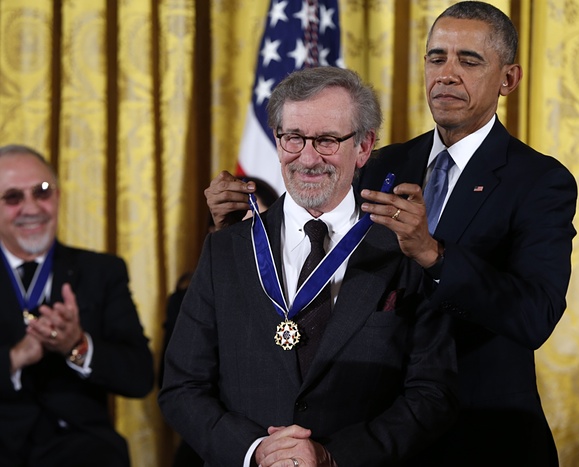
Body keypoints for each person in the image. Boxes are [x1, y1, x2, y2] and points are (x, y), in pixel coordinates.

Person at [204, 2, 577, 465]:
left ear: (509, 80)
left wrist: (433, 255)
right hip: (374, 438)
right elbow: (314, 266)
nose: (447, 74)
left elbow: (534, 316)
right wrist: (237, 227)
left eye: (469, 60)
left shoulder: (540, 181)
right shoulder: (377, 164)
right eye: (436, 57)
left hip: (480, 434)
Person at [159, 66, 457, 467]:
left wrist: (332, 456)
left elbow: (432, 394)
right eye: (294, 138)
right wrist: (255, 451)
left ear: (364, 147)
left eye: (328, 140)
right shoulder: (226, 250)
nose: (308, 157)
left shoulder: (406, 249)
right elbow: (181, 388)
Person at [0, 145, 154, 466]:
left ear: (57, 196)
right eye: (13, 197)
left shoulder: (101, 271)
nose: (31, 207)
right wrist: (15, 358)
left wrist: (78, 345)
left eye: (42, 192)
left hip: (81, 448)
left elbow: (139, 376)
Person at [159, 178, 279, 467]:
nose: (251, 237)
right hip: (214, 450)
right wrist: (252, 448)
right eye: (240, 227)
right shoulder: (191, 298)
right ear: (214, 233)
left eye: (258, 223)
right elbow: (179, 387)